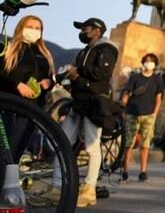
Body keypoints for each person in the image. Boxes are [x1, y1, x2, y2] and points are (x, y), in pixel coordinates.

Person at [51, 18, 119, 207]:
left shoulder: (106, 49)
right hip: (78, 101)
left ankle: (89, 190)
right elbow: (75, 75)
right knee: (62, 141)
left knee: (92, 146)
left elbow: (101, 75)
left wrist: (77, 72)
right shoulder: (84, 51)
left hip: (94, 101)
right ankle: (57, 187)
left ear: (97, 30)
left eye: (86, 28)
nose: (82, 32)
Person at [0, 15, 55, 168]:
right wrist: (17, 85)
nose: (34, 31)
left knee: (17, 149)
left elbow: (51, 78)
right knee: (5, 149)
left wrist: (48, 82)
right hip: (9, 106)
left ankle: (8, 185)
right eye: (30, 27)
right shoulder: (9, 48)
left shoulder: (44, 54)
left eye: (38, 28)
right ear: (21, 28)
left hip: (32, 109)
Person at [120, 53, 165, 183]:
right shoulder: (135, 77)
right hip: (133, 113)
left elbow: (158, 98)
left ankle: (143, 172)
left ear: (155, 64)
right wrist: (124, 103)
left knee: (145, 145)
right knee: (129, 143)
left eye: (151, 61)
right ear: (143, 62)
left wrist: (155, 114)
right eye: (146, 61)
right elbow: (127, 92)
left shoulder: (157, 79)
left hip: (148, 115)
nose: (149, 63)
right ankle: (125, 171)